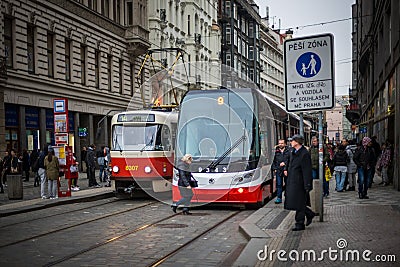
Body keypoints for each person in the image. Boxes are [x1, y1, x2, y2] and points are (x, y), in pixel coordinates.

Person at [284, 135, 315, 231]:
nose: (291, 142)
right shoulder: (292, 152)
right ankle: (309, 214)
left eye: (292, 141)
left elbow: (307, 170)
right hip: (292, 181)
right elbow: (288, 163)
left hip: (300, 183)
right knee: (295, 202)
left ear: (297, 142)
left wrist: (307, 185)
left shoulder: (304, 154)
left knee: (299, 202)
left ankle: (300, 223)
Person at [272, 139, 289, 204]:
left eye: (282, 143)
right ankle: (279, 198)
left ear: (285, 144)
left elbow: (290, 159)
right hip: (278, 170)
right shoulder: (276, 151)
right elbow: (273, 161)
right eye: (279, 143)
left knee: (287, 184)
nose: (280, 144)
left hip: (286, 170)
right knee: (279, 184)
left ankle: (287, 197)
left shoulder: (288, 151)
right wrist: (275, 168)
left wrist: (285, 163)